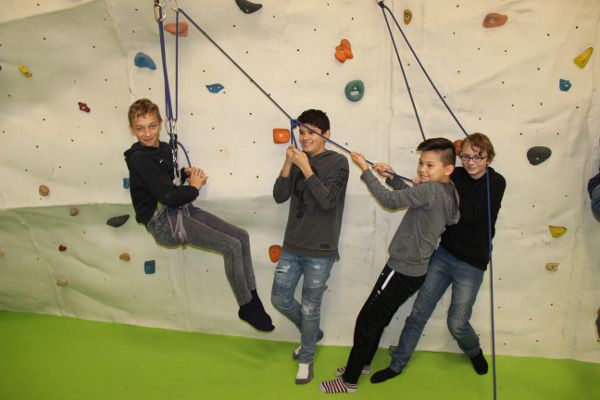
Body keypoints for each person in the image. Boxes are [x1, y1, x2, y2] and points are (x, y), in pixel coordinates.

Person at [319, 138, 460, 394]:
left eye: (430, 165)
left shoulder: (429, 190)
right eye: (421, 163)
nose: (422, 169)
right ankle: (363, 363)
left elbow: (391, 201)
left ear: (448, 169)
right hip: (414, 271)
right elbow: (421, 202)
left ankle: (349, 381)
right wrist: (393, 177)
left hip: (401, 269)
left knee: (366, 321)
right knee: (377, 319)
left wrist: (364, 170)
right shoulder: (449, 190)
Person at [123, 98, 273, 332]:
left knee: (241, 236)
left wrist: (183, 174)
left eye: (152, 126)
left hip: (180, 211)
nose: (148, 133)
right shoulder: (139, 158)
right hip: (165, 223)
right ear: (132, 129)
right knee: (231, 246)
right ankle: (246, 306)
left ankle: (253, 298)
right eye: (140, 128)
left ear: (160, 123)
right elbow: (169, 196)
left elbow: (163, 180)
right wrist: (194, 187)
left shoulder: (163, 149)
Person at [369, 133, 506, 385]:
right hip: (443, 254)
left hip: (472, 263)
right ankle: (397, 364)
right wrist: (405, 180)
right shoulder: (454, 175)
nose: (471, 162)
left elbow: (468, 213)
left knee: (457, 323)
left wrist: (430, 190)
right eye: (466, 156)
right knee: (418, 313)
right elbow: (424, 199)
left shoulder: (495, 182)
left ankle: (473, 351)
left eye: (478, 157)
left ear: (489, 158)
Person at [270, 109, 349, 385]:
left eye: (312, 132)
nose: (305, 137)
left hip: (321, 249)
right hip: (292, 245)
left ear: (326, 135)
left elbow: (328, 201)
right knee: (279, 299)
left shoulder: (339, 162)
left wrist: (305, 167)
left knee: (309, 308)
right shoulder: (297, 159)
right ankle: (311, 333)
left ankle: (306, 359)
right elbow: (279, 196)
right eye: (302, 132)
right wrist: (288, 163)